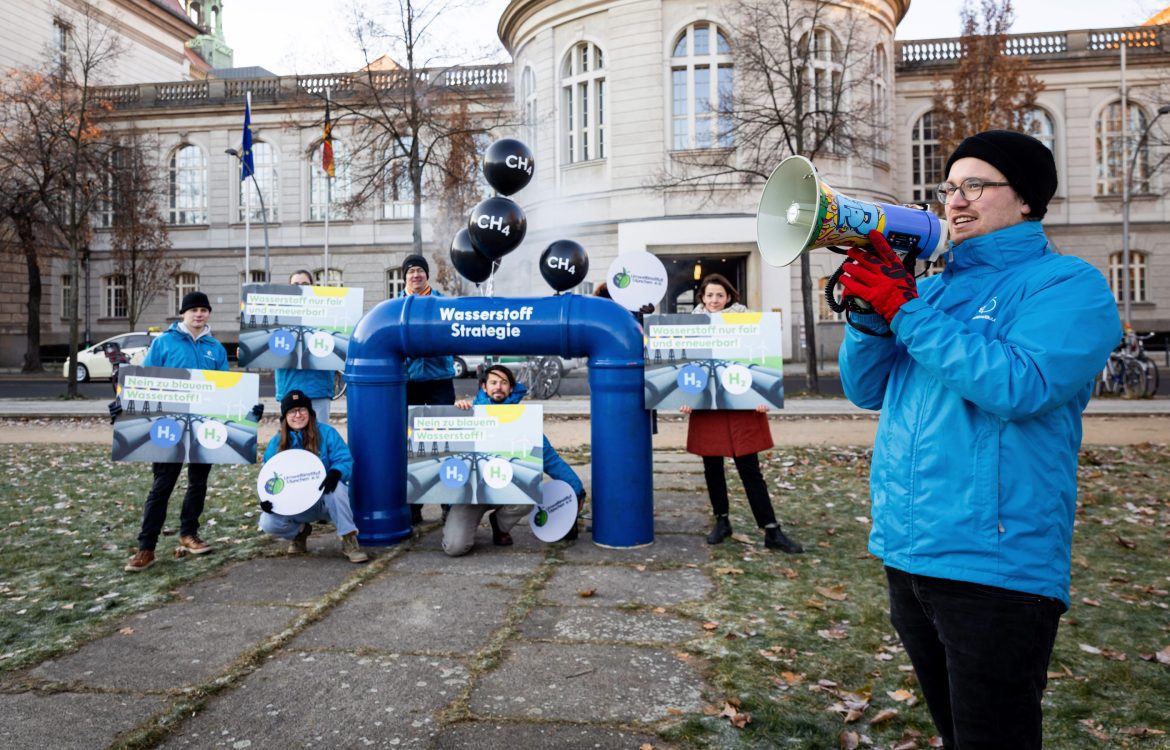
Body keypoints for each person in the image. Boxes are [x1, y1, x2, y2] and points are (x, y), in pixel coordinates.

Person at [838, 130, 1120, 749]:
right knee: (955, 732)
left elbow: (1021, 385)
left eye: (975, 185)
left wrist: (905, 310)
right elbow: (865, 389)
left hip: (997, 566)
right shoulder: (934, 289)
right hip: (910, 552)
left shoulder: (1067, 285)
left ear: (1025, 200)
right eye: (948, 188)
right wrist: (869, 317)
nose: (955, 201)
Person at [118, 292, 260, 572]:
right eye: (194, 309)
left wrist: (247, 409)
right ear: (183, 313)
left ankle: (188, 534)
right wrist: (124, 404)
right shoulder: (164, 343)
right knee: (162, 486)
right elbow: (144, 380)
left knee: (198, 483)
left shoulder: (215, 349)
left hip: (203, 427)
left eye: (204, 310)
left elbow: (224, 387)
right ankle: (146, 548)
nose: (199, 314)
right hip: (168, 426)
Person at [680, 274, 802, 554]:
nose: (714, 301)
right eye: (709, 295)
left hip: (741, 407)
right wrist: (685, 396)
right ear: (702, 298)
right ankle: (721, 521)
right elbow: (687, 365)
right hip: (708, 408)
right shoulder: (690, 327)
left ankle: (771, 529)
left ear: (729, 297)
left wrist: (763, 395)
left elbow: (761, 359)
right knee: (712, 467)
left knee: (750, 469)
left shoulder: (749, 323)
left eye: (719, 295)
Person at [442, 364, 586, 556]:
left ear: (511, 388)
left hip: (506, 490)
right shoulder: (467, 413)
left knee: (530, 490)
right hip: (471, 496)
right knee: (455, 547)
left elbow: (549, 459)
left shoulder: (522, 421)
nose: (498, 387)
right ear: (484, 387)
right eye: (493, 382)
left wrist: (576, 488)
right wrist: (456, 413)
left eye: (504, 383)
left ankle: (500, 525)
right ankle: (454, 519)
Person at [258, 390, 368, 563]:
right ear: (285, 416)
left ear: (310, 413)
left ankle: (348, 538)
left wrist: (336, 472)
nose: (298, 415)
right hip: (294, 503)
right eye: (292, 411)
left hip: (323, 500)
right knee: (267, 522)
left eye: (302, 409)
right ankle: (300, 532)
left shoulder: (327, 433)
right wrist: (267, 498)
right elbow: (268, 474)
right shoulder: (277, 442)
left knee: (338, 487)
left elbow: (344, 458)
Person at [400, 253, 457, 526]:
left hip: (439, 382)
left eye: (419, 270)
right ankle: (414, 504)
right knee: (412, 446)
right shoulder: (394, 306)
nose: (415, 275)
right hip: (409, 383)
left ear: (427, 275)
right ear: (405, 277)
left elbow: (455, 335)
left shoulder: (442, 303)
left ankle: (449, 505)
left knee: (444, 444)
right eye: (410, 271)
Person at [274, 269, 336, 423]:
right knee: (291, 441)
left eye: (305, 284)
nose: (300, 287)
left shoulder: (327, 313)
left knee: (319, 438)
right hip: (289, 387)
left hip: (318, 388)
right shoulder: (278, 314)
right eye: (295, 284)